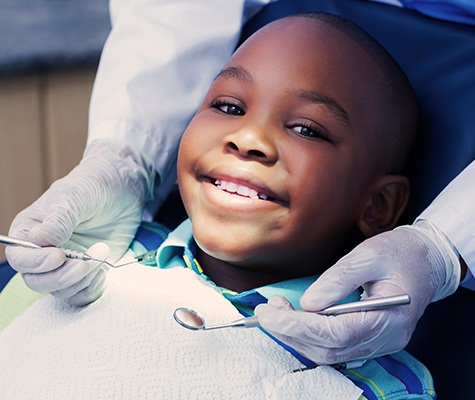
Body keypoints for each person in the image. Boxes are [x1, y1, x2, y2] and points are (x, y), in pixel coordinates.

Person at [4, 0, 474, 367]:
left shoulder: (372, 373)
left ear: (379, 206)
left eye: (307, 129)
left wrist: (442, 247)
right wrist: (125, 157)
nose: (248, 138)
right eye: (229, 107)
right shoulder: (69, 269)